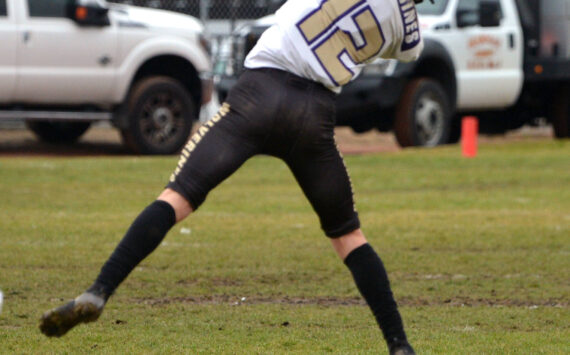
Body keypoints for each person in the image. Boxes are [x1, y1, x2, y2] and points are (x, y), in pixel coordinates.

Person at [40, 0, 429, 353]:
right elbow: (404, 44)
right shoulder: (408, 32)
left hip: (257, 96)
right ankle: (398, 344)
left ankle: (100, 291)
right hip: (313, 116)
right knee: (347, 235)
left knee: (177, 198)